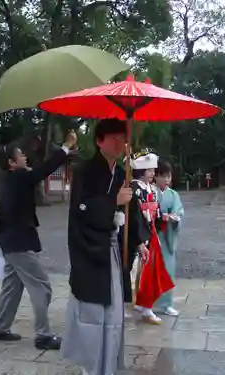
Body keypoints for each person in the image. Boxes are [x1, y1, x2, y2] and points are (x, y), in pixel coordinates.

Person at [62, 118, 150, 375]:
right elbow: (79, 211)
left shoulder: (124, 175)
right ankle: (91, 368)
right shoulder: (85, 172)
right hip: (90, 253)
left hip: (114, 253)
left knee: (113, 315)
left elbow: (132, 214)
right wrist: (112, 201)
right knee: (92, 313)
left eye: (122, 137)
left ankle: (108, 365)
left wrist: (139, 240)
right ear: (99, 141)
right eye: (112, 137)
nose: (119, 141)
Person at [0, 131, 77, 351]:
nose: (25, 158)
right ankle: (43, 335)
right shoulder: (18, 176)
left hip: (10, 242)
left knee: (12, 286)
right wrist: (65, 146)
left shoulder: (8, 180)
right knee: (42, 286)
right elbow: (44, 170)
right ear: (11, 163)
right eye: (20, 155)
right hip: (19, 244)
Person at [128, 149, 174, 325]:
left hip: (151, 232)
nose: (153, 174)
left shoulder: (152, 189)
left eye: (153, 171)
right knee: (139, 272)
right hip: (138, 235)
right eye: (149, 171)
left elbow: (156, 210)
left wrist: (163, 218)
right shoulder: (133, 189)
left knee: (151, 271)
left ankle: (144, 303)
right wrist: (140, 240)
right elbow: (134, 217)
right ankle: (143, 306)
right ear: (140, 171)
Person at [154, 160, 184, 316]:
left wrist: (174, 218)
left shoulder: (174, 195)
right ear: (156, 176)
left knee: (168, 269)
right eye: (163, 176)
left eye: (168, 176)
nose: (166, 179)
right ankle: (148, 303)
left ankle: (166, 304)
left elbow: (179, 212)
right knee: (151, 270)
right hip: (153, 236)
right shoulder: (151, 192)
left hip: (167, 238)